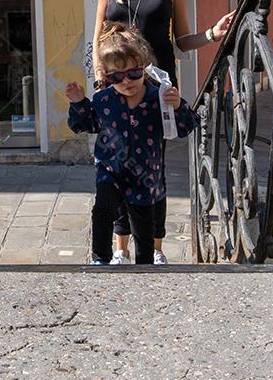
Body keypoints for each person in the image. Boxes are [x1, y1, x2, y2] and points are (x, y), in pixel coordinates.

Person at [93, 0, 234, 264]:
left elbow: (182, 39)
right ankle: (121, 248)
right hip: (117, 85)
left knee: (151, 166)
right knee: (115, 164)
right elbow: (98, 39)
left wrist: (211, 34)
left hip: (155, 87)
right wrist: (100, 82)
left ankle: (154, 246)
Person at [66, 23, 198, 265]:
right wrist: (78, 104)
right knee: (102, 209)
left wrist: (178, 106)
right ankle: (100, 259)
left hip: (145, 177)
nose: (126, 81)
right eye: (116, 76)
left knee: (143, 232)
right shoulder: (104, 99)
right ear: (106, 76)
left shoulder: (158, 97)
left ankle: (145, 266)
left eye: (133, 73)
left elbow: (186, 127)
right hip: (110, 170)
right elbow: (85, 124)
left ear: (144, 67)